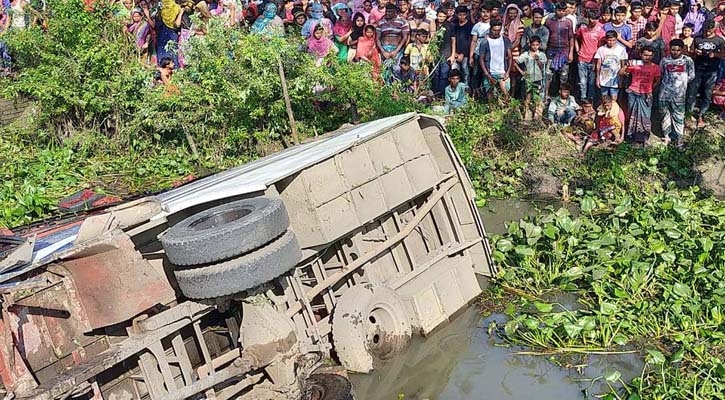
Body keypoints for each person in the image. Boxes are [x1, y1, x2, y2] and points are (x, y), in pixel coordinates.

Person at [686, 20, 724, 128]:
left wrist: (715, 54)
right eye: (706, 31)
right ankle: (688, 115)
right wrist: (695, 52)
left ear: (714, 30)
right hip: (698, 69)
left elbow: (723, 55)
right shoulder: (697, 38)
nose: (707, 33)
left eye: (710, 31)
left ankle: (701, 116)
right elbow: (691, 51)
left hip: (711, 71)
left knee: (707, 95)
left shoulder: (719, 40)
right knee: (692, 93)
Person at [621, 46, 661, 144]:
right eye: (645, 55)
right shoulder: (635, 64)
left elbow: (657, 80)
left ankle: (644, 136)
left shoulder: (656, 67)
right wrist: (627, 65)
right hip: (633, 93)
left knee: (645, 116)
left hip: (646, 94)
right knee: (632, 115)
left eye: (650, 56)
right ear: (640, 54)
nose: (647, 57)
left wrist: (650, 89)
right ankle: (632, 136)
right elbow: (621, 73)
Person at [659, 39, 695, 146]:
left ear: (682, 49)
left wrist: (681, 83)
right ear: (670, 49)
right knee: (664, 115)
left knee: (679, 116)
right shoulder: (664, 60)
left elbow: (691, 75)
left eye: (678, 50)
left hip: (679, 94)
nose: (675, 52)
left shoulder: (688, 61)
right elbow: (660, 74)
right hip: (664, 93)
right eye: (673, 50)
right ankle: (666, 136)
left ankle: (679, 139)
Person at [577, 4, 606, 101]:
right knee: (582, 81)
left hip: (593, 60)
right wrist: (577, 49)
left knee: (591, 82)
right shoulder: (582, 28)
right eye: (591, 18)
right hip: (582, 59)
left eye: (595, 19)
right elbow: (575, 37)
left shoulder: (601, 32)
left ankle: (590, 100)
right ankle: (582, 99)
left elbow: (601, 48)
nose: (593, 21)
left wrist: (596, 61)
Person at [544, 2, 574, 99]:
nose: (561, 12)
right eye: (559, 10)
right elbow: (545, 36)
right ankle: (546, 95)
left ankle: (562, 96)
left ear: (566, 11)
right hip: (551, 51)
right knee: (548, 74)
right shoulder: (549, 21)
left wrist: (571, 53)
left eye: (563, 11)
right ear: (555, 10)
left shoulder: (568, 22)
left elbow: (571, 38)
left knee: (564, 75)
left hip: (564, 51)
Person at [479, 19, 513, 100]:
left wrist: (508, 72)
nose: (496, 32)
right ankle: (492, 110)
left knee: (505, 94)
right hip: (490, 72)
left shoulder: (505, 40)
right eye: (494, 30)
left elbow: (510, 57)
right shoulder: (485, 42)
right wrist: (487, 74)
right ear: (490, 29)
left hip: (503, 72)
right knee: (490, 94)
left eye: (498, 30)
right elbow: (481, 59)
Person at [516, 35, 547, 119]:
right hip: (528, 78)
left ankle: (537, 115)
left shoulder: (541, 54)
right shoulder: (526, 54)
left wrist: (537, 60)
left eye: (537, 45)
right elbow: (516, 62)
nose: (535, 47)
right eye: (533, 45)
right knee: (527, 96)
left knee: (537, 96)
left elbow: (542, 67)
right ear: (530, 44)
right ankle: (527, 113)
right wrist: (522, 72)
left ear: (539, 45)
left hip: (538, 78)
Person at [595, 30, 629, 100]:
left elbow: (623, 66)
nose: (611, 42)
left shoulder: (621, 49)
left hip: (615, 79)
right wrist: (597, 78)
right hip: (604, 79)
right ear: (606, 39)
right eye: (609, 40)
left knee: (614, 98)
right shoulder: (601, 49)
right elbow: (598, 65)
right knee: (604, 99)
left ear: (616, 39)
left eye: (613, 40)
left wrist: (621, 80)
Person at [469, 2, 493, 96]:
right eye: (483, 12)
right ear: (480, 13)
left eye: (487, 12)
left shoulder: (494, 24)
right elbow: (473, 41)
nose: (485, 14)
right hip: (478, 53)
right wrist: (471, 56)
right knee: (475, 74)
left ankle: (488, 95)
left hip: (490, 54)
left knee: (488, 74)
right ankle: (475, 94)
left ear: (491, 13)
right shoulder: (477, 26)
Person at [376, 3, 411, 68]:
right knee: (384, 71)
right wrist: (383, 51)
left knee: (396, 69)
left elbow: (405, 37)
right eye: (387, 11)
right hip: (384, 49)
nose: (388, 13)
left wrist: (396, 51)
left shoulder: (403, 21)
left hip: (397, 50)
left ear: (395, 12)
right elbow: (377, 38)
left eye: (390, 12)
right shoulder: (381, 22)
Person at [432, 7, 455, 95]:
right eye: (440, 16)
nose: (441, 18)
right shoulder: (433, 24)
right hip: (435, 53)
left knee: (444, 75)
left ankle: (442, 94)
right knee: (435, 74)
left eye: (443, 16)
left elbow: (453, 40)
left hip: (446, 53)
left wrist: (452, 54)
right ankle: (435, 94)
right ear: (437, 15)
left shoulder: (450, 25)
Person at [451, 5, 474, 82]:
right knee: (454, 72)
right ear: (456, 15)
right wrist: (455, 53)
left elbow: (470, 42)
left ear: (466, 14)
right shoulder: (453, 24)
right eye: (460, 15)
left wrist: (463, 54)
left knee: (466, 73)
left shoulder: (470, 26)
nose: (462, 17)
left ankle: (465, 90)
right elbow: (452, 39)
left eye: (464, 14)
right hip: (455, 53)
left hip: (466, 54)